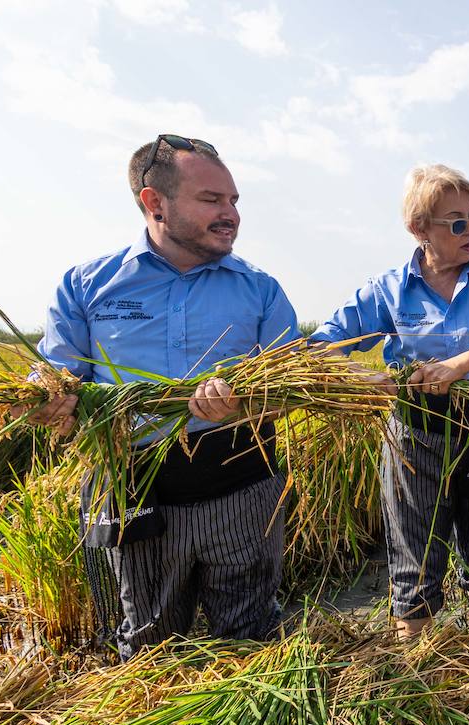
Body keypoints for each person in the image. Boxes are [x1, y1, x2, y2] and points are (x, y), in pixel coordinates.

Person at [23, 134, 301, 658]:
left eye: (234, 201)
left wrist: (242, 402)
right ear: (155, 202)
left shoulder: (260, 288)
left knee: (252, 640)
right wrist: (46, 400)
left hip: (241, 484)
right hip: (132, 485)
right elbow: (58, 378)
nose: (231, 214)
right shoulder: (86, 286)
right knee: (149, 644)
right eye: (211, 200)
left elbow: (290, 389)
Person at [310, 164, 469, 648]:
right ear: (420, 229)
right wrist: (365, 377)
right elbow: (322, 347)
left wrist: (458, 365)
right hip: (415, 435)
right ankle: (419, 671)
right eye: (456, 222)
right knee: (413, 561)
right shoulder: (388, 289)